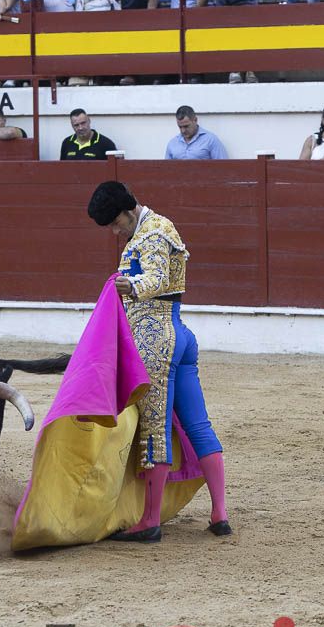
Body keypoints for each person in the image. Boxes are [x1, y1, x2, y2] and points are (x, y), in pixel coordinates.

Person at [86, 180, 232, 543]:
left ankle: (149, 521)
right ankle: (220, 513)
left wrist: (130, 287)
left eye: (115, 224)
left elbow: (156, 278)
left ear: (127, 210)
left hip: (155, 338)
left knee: (155, 427)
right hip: (179, 333)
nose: (115, 232)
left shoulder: (150, 234)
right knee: (199, 425)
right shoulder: (160, 227)